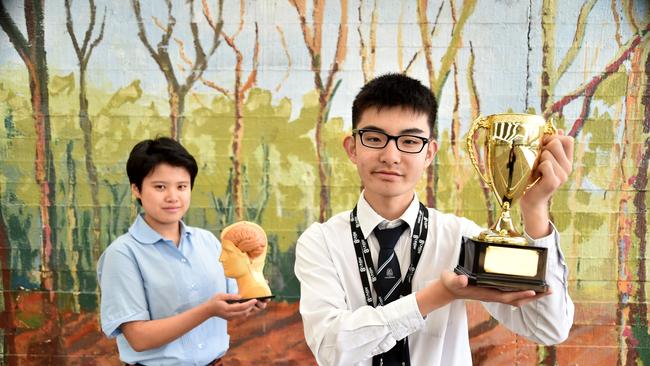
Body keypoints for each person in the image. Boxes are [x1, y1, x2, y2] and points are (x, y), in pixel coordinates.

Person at [294, 73, 575, 365]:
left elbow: (549, 328)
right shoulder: (321, 242)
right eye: (375, 138)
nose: (391, 156)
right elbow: (329, 347)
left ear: (429, 153)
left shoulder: (462, 238)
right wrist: (437, 296)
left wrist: (534, 208)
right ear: (353, 148)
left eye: (410, 141)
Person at [97, 137, 267, 365]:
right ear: (136, 189)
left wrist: (251, 300)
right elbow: (138, 338)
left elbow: (231, 299)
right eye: (160, 187)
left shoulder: (208, 242)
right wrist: (208, 310)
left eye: (182, 186)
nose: (173, 197)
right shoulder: (122, 254)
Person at [220, 221, 273, 299]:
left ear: (247, 255)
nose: (221, 259)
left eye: (228, 252)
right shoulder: (243, 291)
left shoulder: (257, 290)